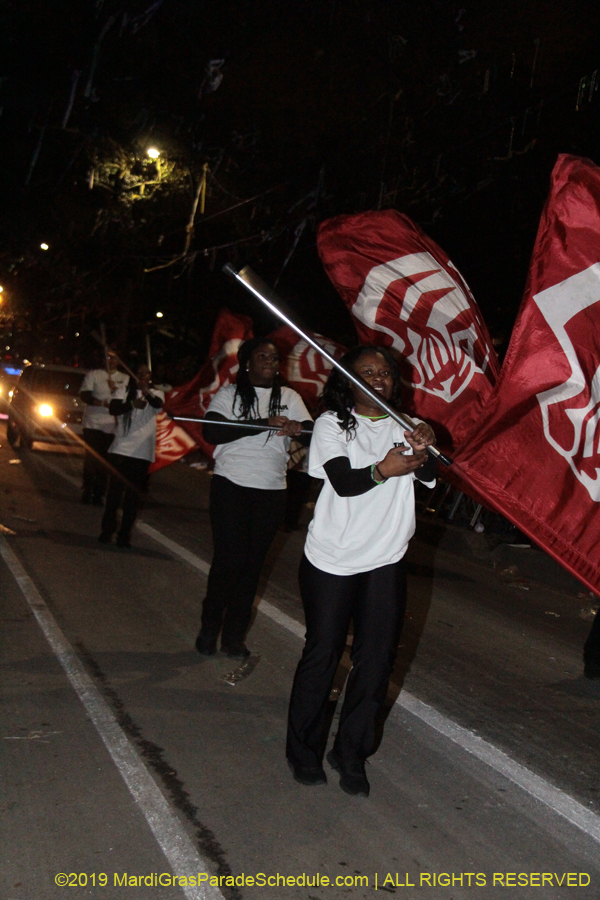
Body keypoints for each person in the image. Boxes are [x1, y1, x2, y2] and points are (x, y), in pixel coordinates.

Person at [286, 346, 437, 797]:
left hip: (386, 558)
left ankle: (351, 753)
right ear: (348, 382)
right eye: (367, 372)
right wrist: (383, 469)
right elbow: (345, 482)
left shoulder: (409, 428)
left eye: (386, 373)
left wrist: (422, 448)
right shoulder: (333, 423)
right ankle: (304, 751)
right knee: (323, 653)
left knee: (375, 663)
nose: (378, 379)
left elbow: (428, 483)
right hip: (331, 558)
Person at [196, 338, 313, 659]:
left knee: (252, 565)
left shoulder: (288, 396)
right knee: (229, 559)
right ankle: (209, 626)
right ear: (247, 362)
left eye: (274, 358)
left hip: (272, 490)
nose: (269, 361)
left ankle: (234, 636)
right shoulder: (230, 394)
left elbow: (311, 429)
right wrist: (262, 423)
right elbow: (213, 432)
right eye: (262, 356)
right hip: (231, 484)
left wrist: (296, 428)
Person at [98, 365, 164, 548]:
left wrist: (146, 393)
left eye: (147, 374)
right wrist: (132, 404)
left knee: (132, 498)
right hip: (121, 450)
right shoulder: (123, 391)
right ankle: (107, 530)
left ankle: (124, 535)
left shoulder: (156, 393)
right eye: (140, 373)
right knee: (114, 494)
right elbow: (114, 408)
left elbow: (158, 405)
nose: (143, 376)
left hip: (141, 453)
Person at [79, 347, 129, 505]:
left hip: (111, 425)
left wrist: (116, 392)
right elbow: (84, 395)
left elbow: (127, 401)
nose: (111, 361)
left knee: (105, 461)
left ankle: (99, 493)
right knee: (91, 458)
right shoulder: (94, 375)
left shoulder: (125, 378)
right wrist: (100, 403)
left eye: (114, 358)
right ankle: (87, 489)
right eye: (108, 358)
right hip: (93, 422)